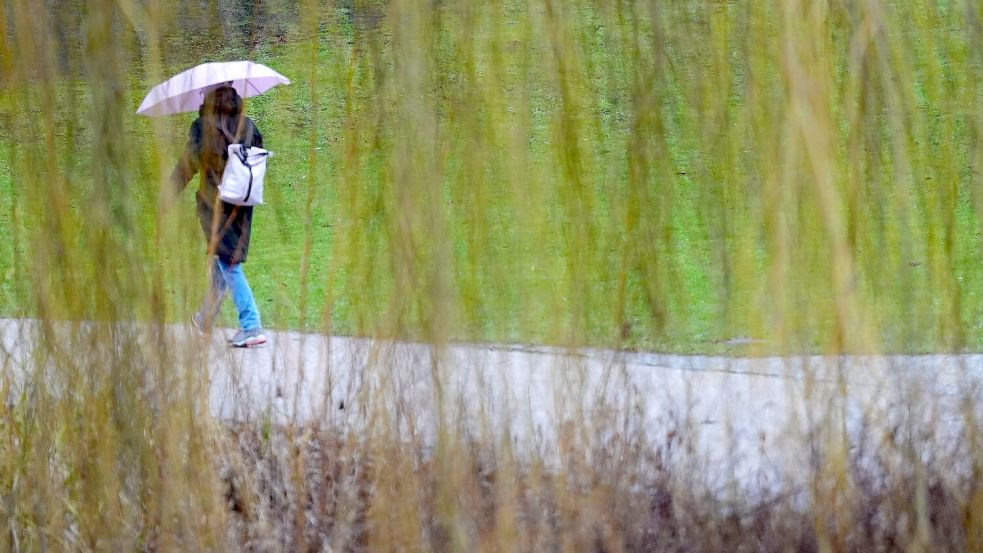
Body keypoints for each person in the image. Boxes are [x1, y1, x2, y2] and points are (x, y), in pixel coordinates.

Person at [172, 85, 267, 347]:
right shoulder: (249, 126)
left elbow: (187, 164)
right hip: (244, 205)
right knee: (222, 258)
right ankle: (205, 318)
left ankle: (251, 324)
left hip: (214, 205)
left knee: (229, 263)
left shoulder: (203, 127)